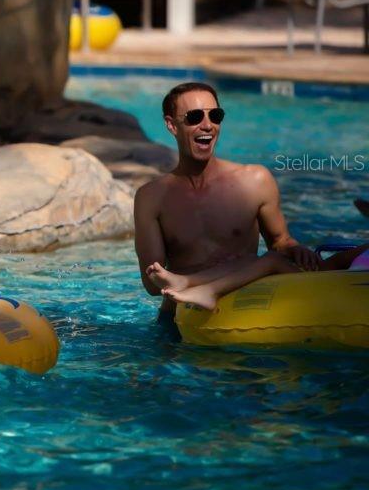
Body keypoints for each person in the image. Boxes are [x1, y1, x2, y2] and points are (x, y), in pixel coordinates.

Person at [134, 82, 321, 316]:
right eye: (194, 117)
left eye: (215, 116)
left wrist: (296, 249)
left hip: (243, 316)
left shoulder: (255, 181)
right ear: (172, 125)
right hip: (179, 323)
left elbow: (281, 242)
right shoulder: (151, 198)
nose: (208, 125)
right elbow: (153, 285)